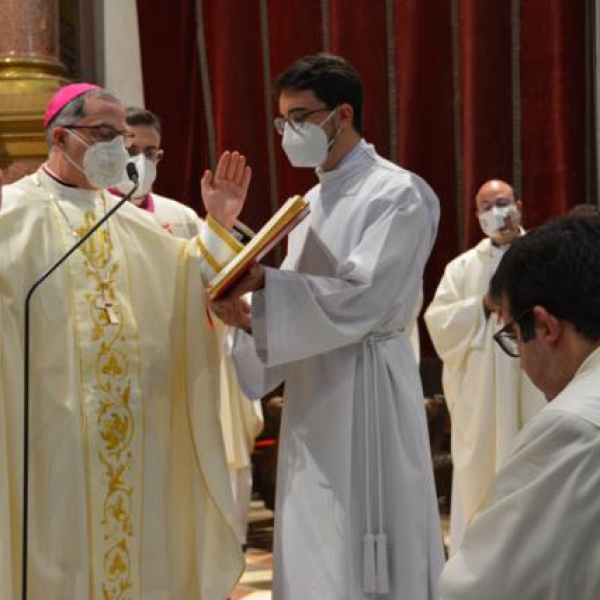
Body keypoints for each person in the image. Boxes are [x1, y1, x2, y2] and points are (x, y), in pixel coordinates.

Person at [0, 83, 252, 599]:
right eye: (107, 134)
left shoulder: (128, 223)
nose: (121, 148)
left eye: (126, 137)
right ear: (61, 136)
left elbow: (188, 283)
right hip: (48, 441)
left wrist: (220, 222)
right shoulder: (10, 217)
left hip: (133, 443)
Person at [213, 53, 444, 599]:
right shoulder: (311, 202)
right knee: (314, 524)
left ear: (342, 114)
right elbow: (298, 304)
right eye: (282, 121)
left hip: (369, 385)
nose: (288, 132)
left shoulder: (398, 193)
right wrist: (246, 319)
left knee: (369, 523)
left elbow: (365, 296)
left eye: (300, 118)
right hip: (315, 392)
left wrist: (265, 285)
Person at [113, 106, 264, 548]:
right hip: (116, 374)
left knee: (176, 506)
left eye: (151, 153)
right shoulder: (88, 214)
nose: (142, 162)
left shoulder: (181, 219)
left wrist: (220, 223)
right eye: (131, 149)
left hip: (179, 372)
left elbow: (214, 278)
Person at [439, 214, 600, 599]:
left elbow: (482, 588)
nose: (522, 362)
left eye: (512, 334)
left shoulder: (571, 426)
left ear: (545, 327)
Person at [424, 179, 545, 552]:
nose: (497, 212)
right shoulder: (462, 269)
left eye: (503, 202)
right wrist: (481, 305)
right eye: (487, 206)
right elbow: (437, 322)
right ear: (477, 217)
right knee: (480, 483)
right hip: (481, 401)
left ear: (520, 206)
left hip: (533, 391)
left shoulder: (545, 257)